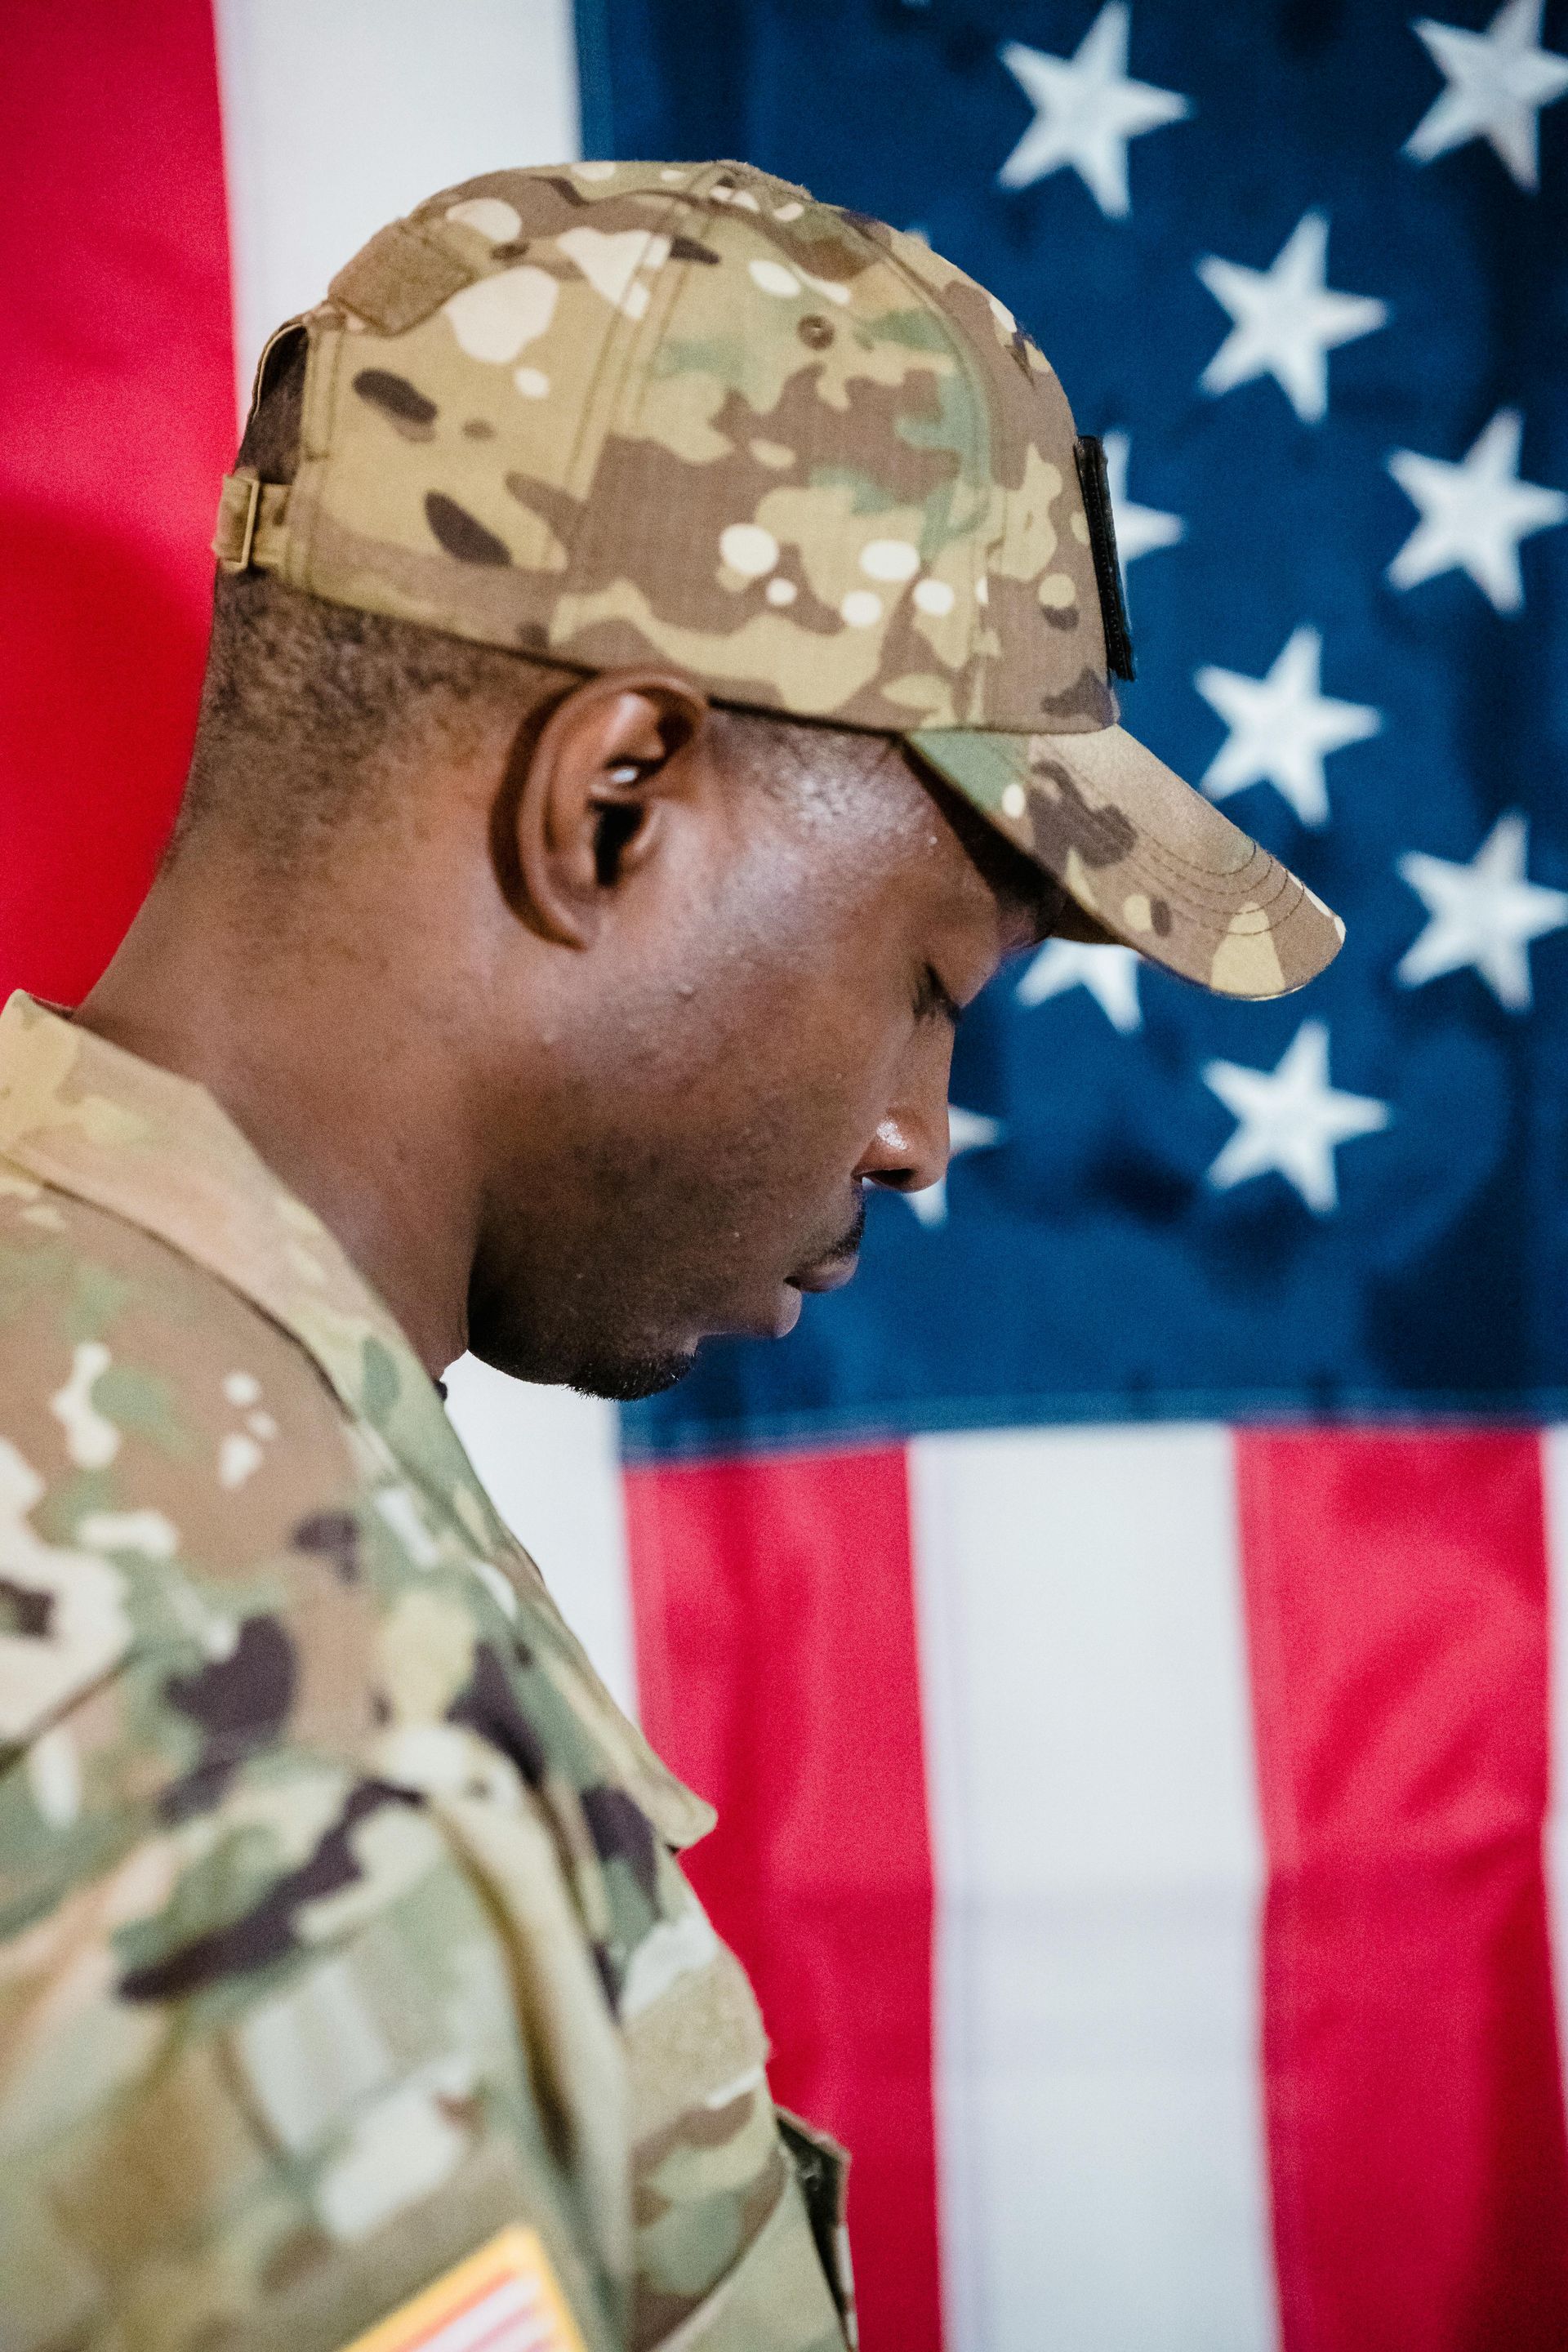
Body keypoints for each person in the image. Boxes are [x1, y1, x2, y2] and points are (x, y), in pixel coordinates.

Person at [0, 159, 1340, 2352]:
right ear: (614, 799)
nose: (918, 1138)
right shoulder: (239, 1705)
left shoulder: (122, 1397)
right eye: (933, 986)